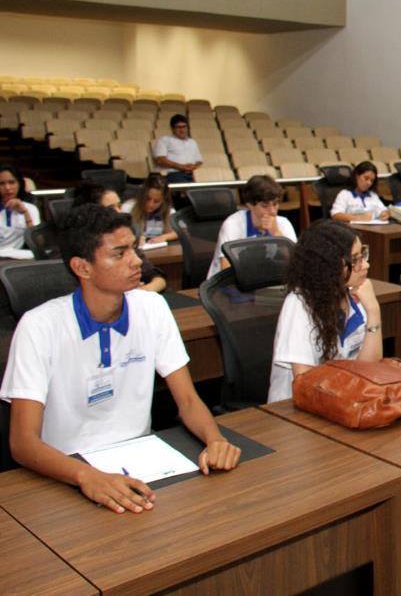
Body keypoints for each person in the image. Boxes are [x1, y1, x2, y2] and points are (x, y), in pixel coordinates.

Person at [0, 204, 241, 514]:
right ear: (82, 268)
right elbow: (22, 443)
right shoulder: (39, 326)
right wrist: (87, 476)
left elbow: (189, 402)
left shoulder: (151, 308)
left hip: (142, 465)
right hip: (64, 475)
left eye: (134, 249)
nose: (136, 261)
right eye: (119, 253)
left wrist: (214, 439)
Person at [268, 220, 382, 402]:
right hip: (293, 410)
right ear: (328, 266)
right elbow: (304, 383)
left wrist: (374, 311)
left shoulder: (354, 296)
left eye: (363, 255)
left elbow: (369, 367)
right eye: (355, 260)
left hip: (343, 399)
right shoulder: (299, 304)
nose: (365, 265)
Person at [73, 181, 166, 293]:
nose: (119, 212)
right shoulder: (79, 247)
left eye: (119, 206)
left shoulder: (125, 240)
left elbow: (157, 278)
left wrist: (143, 291)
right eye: (111, 208)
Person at [207, 174, 297, 279]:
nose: (272, 211)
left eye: (275, 204)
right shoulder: (233, 224)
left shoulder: (283, 223)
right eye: (265, 206)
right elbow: (226, 268)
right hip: (225, 284)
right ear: (249, 205)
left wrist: (277, 233)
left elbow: (296, 262)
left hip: (261, 280)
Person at [121, 174, 177, 244]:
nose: (150, 204)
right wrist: (135, 237)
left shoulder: (169, 211)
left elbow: (182, 231)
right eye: (147, 199)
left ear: (163, 201)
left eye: (156, 201)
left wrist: (164, 237)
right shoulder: (127, 208)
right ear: (142, 195)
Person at [0, 164, 41, 252]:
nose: (7, 188)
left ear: (19, 184)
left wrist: (26, 213)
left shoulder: (30, 208)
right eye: (1, 183)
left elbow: (38, 243)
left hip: (18, 257)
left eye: (12, 182)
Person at [152, 114, 203, 183]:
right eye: (179, 127)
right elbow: (160, 160)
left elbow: (199, 161)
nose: (182, 130)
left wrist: (193, 166)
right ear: (172, 129)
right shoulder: (164, 140)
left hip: (193, 173)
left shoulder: (192, 142)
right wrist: (181, 167)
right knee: (188, 189)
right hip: (173, 174)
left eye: (184, 127)